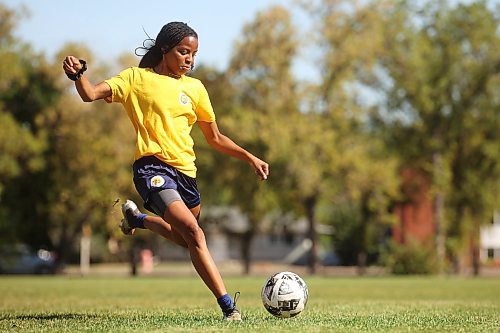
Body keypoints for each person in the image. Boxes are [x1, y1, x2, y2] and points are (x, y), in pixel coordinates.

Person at [62, 21, 269, 321]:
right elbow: (90, 93)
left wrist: (250, 157)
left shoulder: (195, 88)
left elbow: (215, 138)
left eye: (194, 55)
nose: (190, 59)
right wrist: (79, 76)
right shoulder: (135, 79)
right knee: (195, 233)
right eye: (184, 52)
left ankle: (138, 219)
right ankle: (229, 308)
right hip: (152, 169)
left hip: (187, 175)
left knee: (185, 238)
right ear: (164, 49)